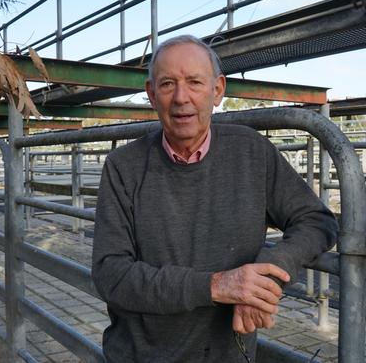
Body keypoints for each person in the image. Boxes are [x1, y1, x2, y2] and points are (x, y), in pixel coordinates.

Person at [91, 34, 338, 363]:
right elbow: (112, 275)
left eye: (194, 82)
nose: (181, 98)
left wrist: (267, 275)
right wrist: (216, 285)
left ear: (217, 90)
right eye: (167, 84)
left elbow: (317, 220)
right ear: (151, 94)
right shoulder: (124, 167)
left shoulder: (252, 153)